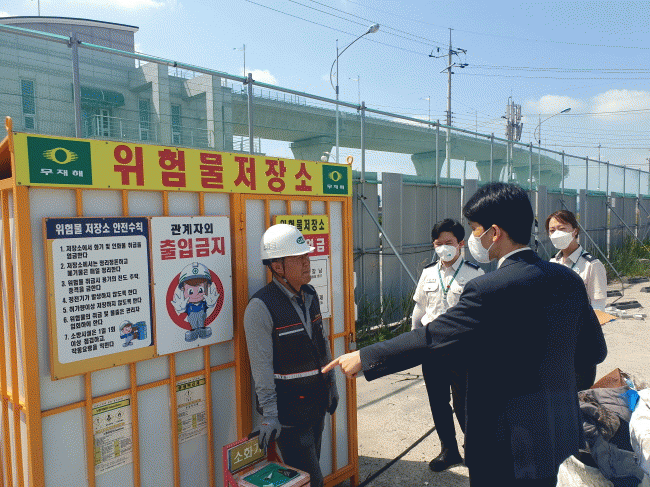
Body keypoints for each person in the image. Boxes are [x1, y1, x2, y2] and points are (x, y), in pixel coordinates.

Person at [324, 183, 607, 487]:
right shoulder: (568, 280)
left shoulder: (488, 289)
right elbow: (594, 351)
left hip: (503, 445)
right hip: (556, 435)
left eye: (475, 229)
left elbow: (433, 337)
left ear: (494, 232)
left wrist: (365, 355)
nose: (474, 237)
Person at [244, 224, 338, 487]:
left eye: (306, 255)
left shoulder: (310, 295)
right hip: (289, 415)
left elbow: (322, 343)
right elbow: (261, 367)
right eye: (299, 258)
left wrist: (331, 384)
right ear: (277, 266)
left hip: (316, 405)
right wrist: (270, 415)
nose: (307, 262)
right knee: (312, 481)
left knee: (307, 475)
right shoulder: (261, 307)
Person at [411, 218, 484, 472]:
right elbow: (419, 309)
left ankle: (474, 449)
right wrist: (415, 340)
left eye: (449, 242)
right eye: (438, 243)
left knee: (465, 404)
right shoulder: (428, 273)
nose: (443, 248)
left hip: (463, 351)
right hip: (432, 349)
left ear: (460, 243)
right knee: (438, 402)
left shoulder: (475, 274)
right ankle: (448, 450)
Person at [546, 210, 607, 311]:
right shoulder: (553, 262)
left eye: (562, 228)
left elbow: (598, 306)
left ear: (575, 231)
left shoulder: (592, 265)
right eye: (552, 230)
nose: (557, 233)